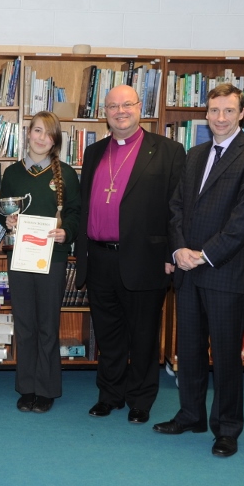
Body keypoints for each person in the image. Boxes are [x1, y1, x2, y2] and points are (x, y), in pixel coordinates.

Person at [153, 83, 244, 458]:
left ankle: (227, 429)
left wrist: (202, 254)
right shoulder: (194, 154)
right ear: (205, 114)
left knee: (224, 356)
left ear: (241, 114)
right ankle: (191, 414)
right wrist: (179, 249)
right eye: (213, 111)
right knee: (187, 351)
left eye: (227, 111)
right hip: (187, 269)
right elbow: (175, 207)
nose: (219, 118)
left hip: (224, 271)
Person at [75, 84, 185, 424]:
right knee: (108, 334)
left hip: (145, 257)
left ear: (140, 108)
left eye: (126, 105)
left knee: (143, 335)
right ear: (104, 112)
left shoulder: (168, 151)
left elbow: (177, 208)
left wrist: (172, 251)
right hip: (99, 257)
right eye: (112, 106)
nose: (120, 111)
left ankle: (140, 399)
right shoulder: (94, 153)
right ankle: (110, 394)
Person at [0, 111, 81, 413]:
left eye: (48, 133)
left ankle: (46, 389)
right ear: (28, 134)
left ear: (55, 140)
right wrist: (7, 221)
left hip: (53, 258)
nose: (41, 138)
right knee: (25, 324)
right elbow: (4, 210)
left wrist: (66, 232)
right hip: (21, 257)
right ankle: (27, 386)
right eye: (36, 131)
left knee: (48, 325)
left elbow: (75, 212)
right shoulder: (12, 173)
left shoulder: (67, 174)